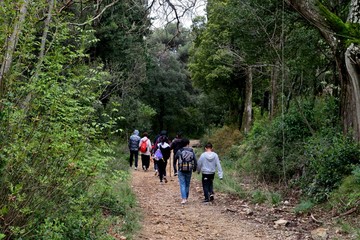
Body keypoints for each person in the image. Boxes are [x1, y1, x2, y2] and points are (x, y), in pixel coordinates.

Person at [175, 138, 197, 204]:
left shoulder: (180, 151)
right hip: (189, 169)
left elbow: (176, 158)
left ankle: (184, 198)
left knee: (182, 184)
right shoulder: (191, 151)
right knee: (187, 184)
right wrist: (194, 168)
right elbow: (195, 160)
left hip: (181, 169)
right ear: (188, 144)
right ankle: (186, 197)